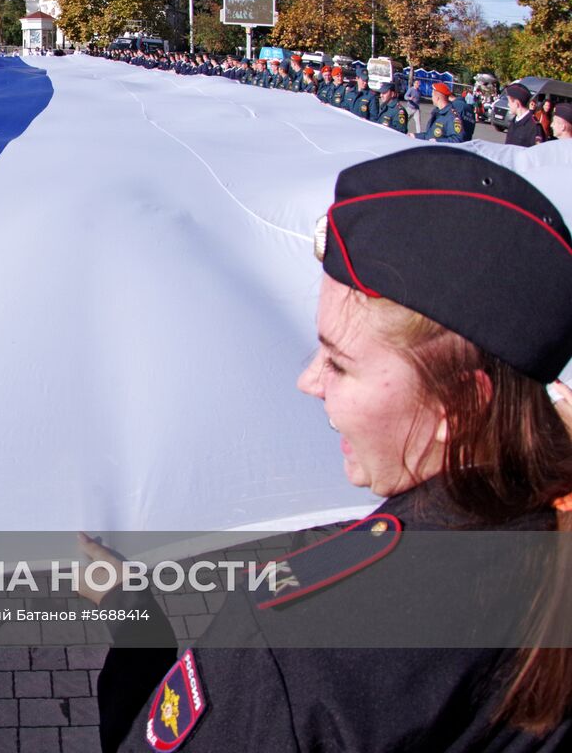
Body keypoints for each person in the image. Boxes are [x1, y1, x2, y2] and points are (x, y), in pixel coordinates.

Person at [88, 146, 572, 751]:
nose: (309, 381)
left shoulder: (303, 637)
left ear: (463, 406)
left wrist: (131, 613)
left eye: (339, 364)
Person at [504, 83, 544, 147]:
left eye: (509, 101)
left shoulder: (534, 126)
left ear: (517, 103)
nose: (508, 104)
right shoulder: (514, 121)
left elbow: (537, 153)